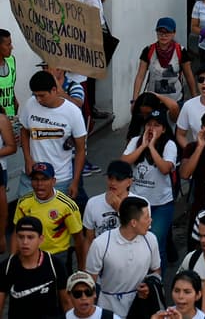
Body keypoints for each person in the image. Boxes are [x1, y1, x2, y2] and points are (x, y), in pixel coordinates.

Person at [119, 107, 179, 269]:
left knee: (156, 244)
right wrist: (142, 146)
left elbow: (165, 168)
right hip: (137, 204)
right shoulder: (135, 141)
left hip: (161, 204)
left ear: (164, 129)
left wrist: (152, 147)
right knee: (134, 242)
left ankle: (157, 281)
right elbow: (124, 162)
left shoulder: (169, 145)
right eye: (149, 125)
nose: (152, 128)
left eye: (157, 125)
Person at [85, 196, 161, 315]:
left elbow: (156, 270)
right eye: (147, 217)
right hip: (108, 307)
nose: (150, 220)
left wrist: (149, 286)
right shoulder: (101, 244)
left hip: (140, 305)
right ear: (133, 222)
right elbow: (90, 282)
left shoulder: (151, 239)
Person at [19, 70, 87, 200]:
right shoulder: (30, 104)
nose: (38, 99)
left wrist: (75, 181)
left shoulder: (73, 112)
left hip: (59, 180)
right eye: (35, 95)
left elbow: (80, 150)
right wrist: (27, 159)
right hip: (30, 177)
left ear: (54, 90)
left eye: (42, 95)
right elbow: (24, 131)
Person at [12, 161, 86, 270]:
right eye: (35, 179)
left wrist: (81, 268)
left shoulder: (67, 206)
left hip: (57, 257)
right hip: (29, 255)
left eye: (44, 179)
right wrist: (12, 261)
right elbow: (16, 232)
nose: (39, 184)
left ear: (53, 181)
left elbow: (79, 239)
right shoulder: (23, 202)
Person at [0, 217, 68, 317]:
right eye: (21, 237)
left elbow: (66, 303)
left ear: (41, 239)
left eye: (30, 237)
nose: (25, 242)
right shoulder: (7, 267)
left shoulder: (55, 264)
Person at [84, 159, 137, 241]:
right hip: (101, 253)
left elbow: (140, 236)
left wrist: (120, 209)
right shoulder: (92, 203)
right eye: (110, 178)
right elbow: (88, 240)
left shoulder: (140, 204)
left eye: (119, 179)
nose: (113, 183)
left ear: (129, 182)